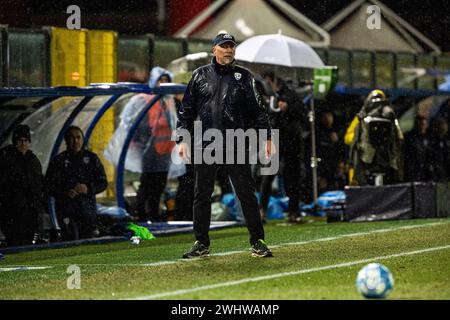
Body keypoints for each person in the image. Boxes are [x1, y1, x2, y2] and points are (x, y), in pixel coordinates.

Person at [177, 33, 274, 258]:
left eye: (231, 46)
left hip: (235, 142)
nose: (228, 50)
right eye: (224, 46)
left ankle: (257, 241)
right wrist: (182, 138)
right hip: (206, 142)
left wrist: (267, 137)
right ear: (214, 50)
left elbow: (259, 111)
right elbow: (186, 110)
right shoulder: (199, 75)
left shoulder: (244, 76)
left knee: (246, 194)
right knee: (202, 194)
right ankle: (201, 242)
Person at [131, 67, 178, 222]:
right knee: (147, 184)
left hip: (164, 151)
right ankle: (140, 214)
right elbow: (140, 126)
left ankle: (153, 215)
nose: (164, 84)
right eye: (161, 80)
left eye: (166, 80)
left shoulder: (168, 101)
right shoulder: (145, 99)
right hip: (150, 151)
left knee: (159, 186)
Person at [45, 126, 108, 240]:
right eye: (72, 138)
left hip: (88, 213)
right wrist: (66, 193)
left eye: (78, 137)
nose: (76, 141)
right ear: (66, 140)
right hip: (67, 212)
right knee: (71, 245)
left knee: (89, 247)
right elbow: (49, 185)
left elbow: (103, 182)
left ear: (83, 139)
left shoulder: (92, 158)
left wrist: (88, 189)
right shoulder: (59, 160)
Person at [258, 71, 304, 224]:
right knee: (268, 174)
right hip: (273, 138)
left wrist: (288, 108)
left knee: (293, 176)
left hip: (291, 138)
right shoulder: (262, 96)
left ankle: (293, 211)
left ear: (270, 80)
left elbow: (302, 114)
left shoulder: (290, 94)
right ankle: (261, 211)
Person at [0, 124, 46, 246]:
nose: (23, 144)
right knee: (15, 243)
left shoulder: (33, 160)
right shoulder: (6, 159)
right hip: (13, 213)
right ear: (15, 141)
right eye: (20, 140)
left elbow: (39, 185)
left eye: (26, 140)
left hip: (31, 213)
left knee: (27, 244)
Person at [348, 90, 403, 186]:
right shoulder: (361, 118)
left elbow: (399, 139)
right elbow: (350, 139)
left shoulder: (390, 117)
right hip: (367, 159)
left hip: (385, 159)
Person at [404, 115, 433, 182]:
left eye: (424, 124)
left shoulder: (429, 137)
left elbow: (430, 154)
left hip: (424, 172)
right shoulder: (410, 138)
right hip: (413, 172)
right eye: (421, 124)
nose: (422, 127)